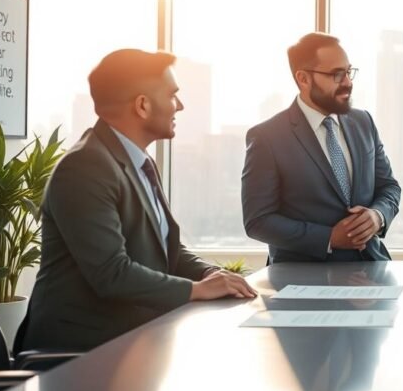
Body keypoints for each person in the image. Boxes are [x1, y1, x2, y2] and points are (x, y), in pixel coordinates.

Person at [17, 49, 256, 352]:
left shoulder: (139, 162)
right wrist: (196, 290)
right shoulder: (85, 167)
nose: (179, 106)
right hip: (80, 352)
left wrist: (211, 274)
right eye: (172, 96)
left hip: (133, 342)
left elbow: (167, 248)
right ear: (142, 105)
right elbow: (111, 273)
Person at [242, 32, 400, 263]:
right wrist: (328, 238)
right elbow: (258, 221)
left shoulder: (363, 122)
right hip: (301, 278)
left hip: (371, 269)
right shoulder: (267, 137)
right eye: (337, 74)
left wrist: (377, 217)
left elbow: (389, 187)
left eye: (348, 71)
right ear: (304, 79)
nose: (348, 82)